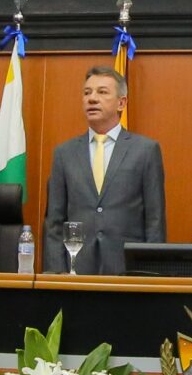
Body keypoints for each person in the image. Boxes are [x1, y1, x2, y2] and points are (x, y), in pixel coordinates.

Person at [42, 65, 166, 274]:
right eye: (87, 92)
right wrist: (56, 274)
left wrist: (151, 277)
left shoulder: (145, 150)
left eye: (102, 92)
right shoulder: (64, 153)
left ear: (121, 103)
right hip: (75, 272)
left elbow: (155, 221)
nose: (92, 98)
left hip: (128, 271)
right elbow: (54, 222)